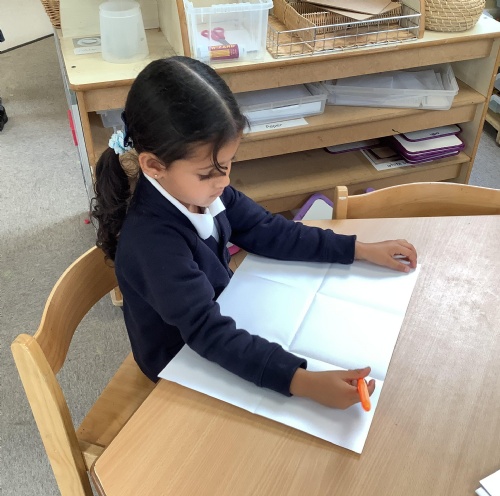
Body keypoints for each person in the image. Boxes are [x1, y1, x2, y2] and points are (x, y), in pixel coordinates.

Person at [92, 56, 417, 410]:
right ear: (154, 166)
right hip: (179, 361)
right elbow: (206, 332)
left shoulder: (201, 191)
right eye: (208, 172)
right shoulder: (153, 244)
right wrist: (302, 380)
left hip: (221, 313)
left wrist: (358, 249)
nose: (225, 180)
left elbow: (268, 230)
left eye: (228, 163)